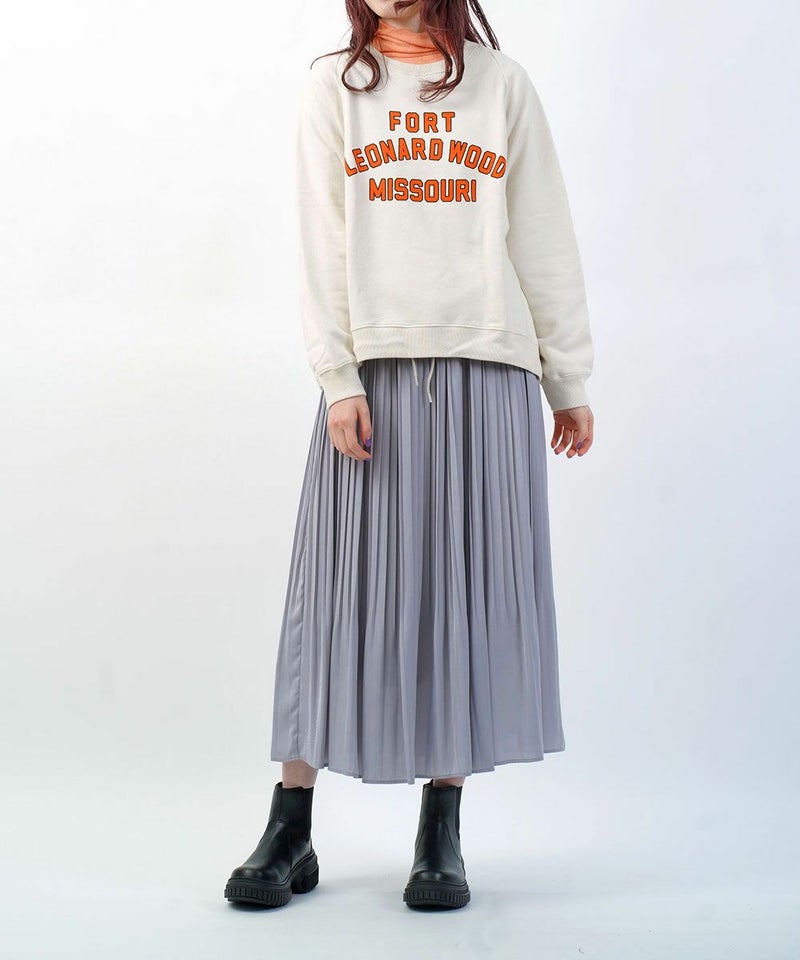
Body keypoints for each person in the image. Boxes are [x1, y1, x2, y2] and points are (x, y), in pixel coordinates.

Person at [224, 0, 594, 911]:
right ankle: (290, 827)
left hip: (488, 368)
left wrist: (568, 374)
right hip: (375, 376)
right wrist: (335, 376)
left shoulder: (501, 85)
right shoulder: (335, 88)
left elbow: (542, 234)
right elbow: (322, 240)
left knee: (462, 599)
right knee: (332, 596)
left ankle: (441, 833)